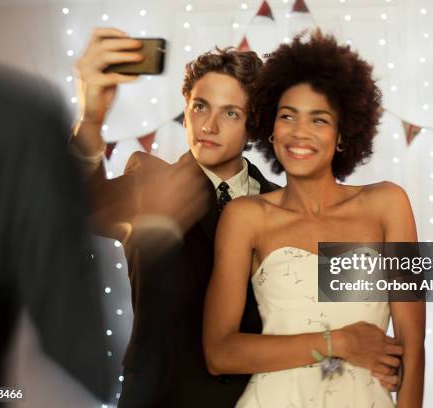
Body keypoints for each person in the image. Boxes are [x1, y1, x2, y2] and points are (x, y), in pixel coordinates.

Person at [203, 31, 425, 407]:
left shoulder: (388, 205)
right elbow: (220, 353)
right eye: (287, 116)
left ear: (342, 135)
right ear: (270, 129)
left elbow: (413, 341)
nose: (299, 132)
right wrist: (338, 343)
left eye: (319, 120)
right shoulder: (246, 217)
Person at [69, 28, 279, 407]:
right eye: (200, 106)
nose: (208, 126)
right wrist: (91, 118)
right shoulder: (148, 185)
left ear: (253, 123)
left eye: (230, 112)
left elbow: (348, 281)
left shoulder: (282, 203)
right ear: (185, 108)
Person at [0, 54, 112, 405]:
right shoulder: (12, 118)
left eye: (231, 112)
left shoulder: (13, 119)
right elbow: (80, 359)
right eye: (198, 106)